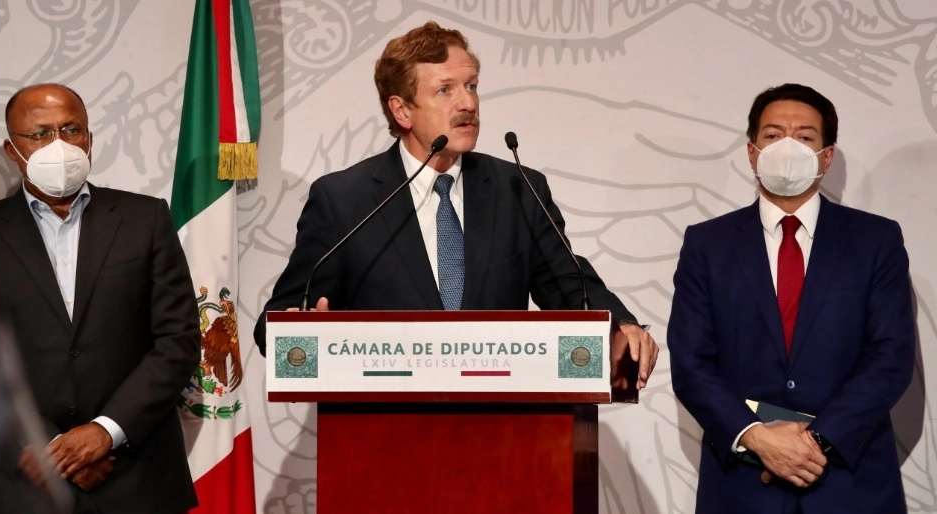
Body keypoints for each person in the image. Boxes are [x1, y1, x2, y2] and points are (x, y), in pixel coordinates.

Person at [253, 21, 658, 386]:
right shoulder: (345, 199)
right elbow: (279, 322)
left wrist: (621, 324)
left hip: (506, 437)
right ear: (401, 109)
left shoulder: (518, 188)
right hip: (382, 442)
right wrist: (298, 328)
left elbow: (571, 288)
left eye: (472, 86)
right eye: (445, 90)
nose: (468, 103)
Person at [0, 83, 200, 513]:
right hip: (21, 481)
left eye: (71, 129)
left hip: (138, 476)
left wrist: (106, 431)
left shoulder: (146, 219)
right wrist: (52, 447)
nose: (59, 144)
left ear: (90, 139)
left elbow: (177, 341)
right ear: (13, 150)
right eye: (41, 133)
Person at [668, 83, 914, 513]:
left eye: (804, 137)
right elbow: (691, 362)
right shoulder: (707, 244)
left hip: (850, 481)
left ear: (827, 155)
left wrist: (812, 443)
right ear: (751, 150)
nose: (787, 146)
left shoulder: (876, 239)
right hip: (742, 483)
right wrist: (759, 438)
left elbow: (890, 357)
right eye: (773, 134)